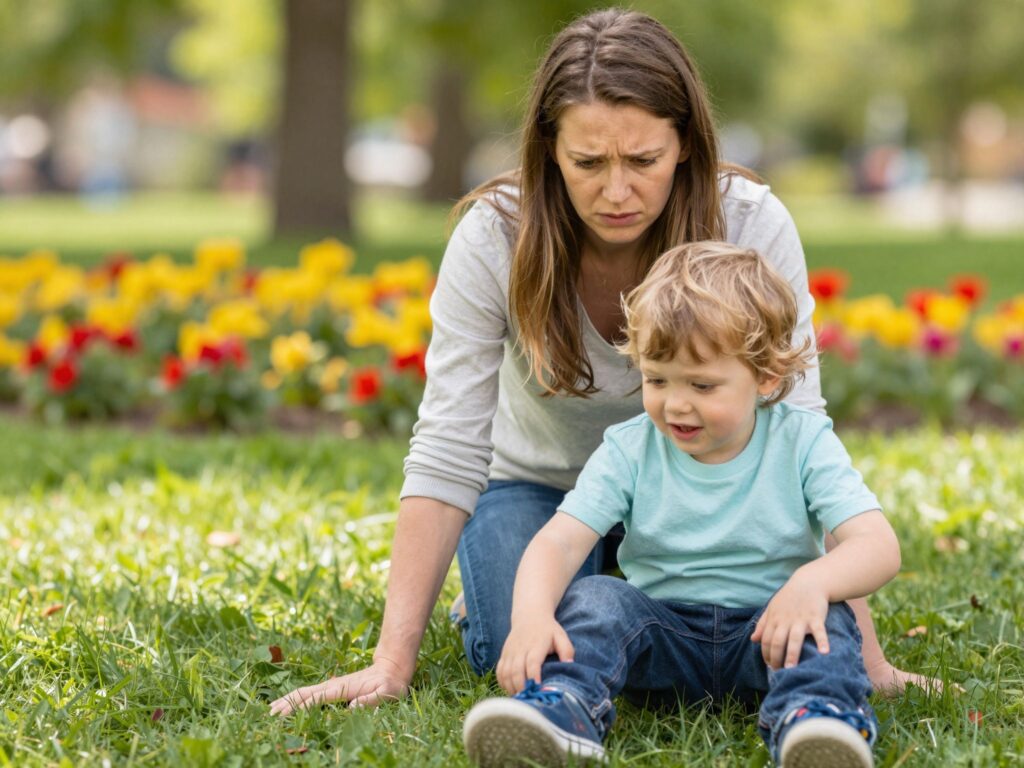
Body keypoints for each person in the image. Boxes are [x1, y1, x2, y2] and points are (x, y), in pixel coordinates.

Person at [270, 6, 926, 718]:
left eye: (643, 160)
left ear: (685, 143)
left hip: (708, 487)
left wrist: (866, 659)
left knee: (761, 631)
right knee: (519, 648)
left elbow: (797, 429)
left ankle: (629, 589)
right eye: (588, 163)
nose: (616, 192)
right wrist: (390, 662)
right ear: (550, 149)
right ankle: (569, 589)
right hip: (542, 488)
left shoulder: (749, 222)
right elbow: (448, 446)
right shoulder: (494, 238)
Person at [463, 242, 900, 767]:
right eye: (656, 379)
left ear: (766, 376)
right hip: (660, 638)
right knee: (597, 597)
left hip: (771, 634)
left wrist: (813, 583)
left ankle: (815, 719)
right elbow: (559, 543)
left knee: (828, 617)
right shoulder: (630, 447)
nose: (675, 404)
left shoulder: (803, 441)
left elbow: (878, 546)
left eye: (702, 384)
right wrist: (532, 616)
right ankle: (563, 707)